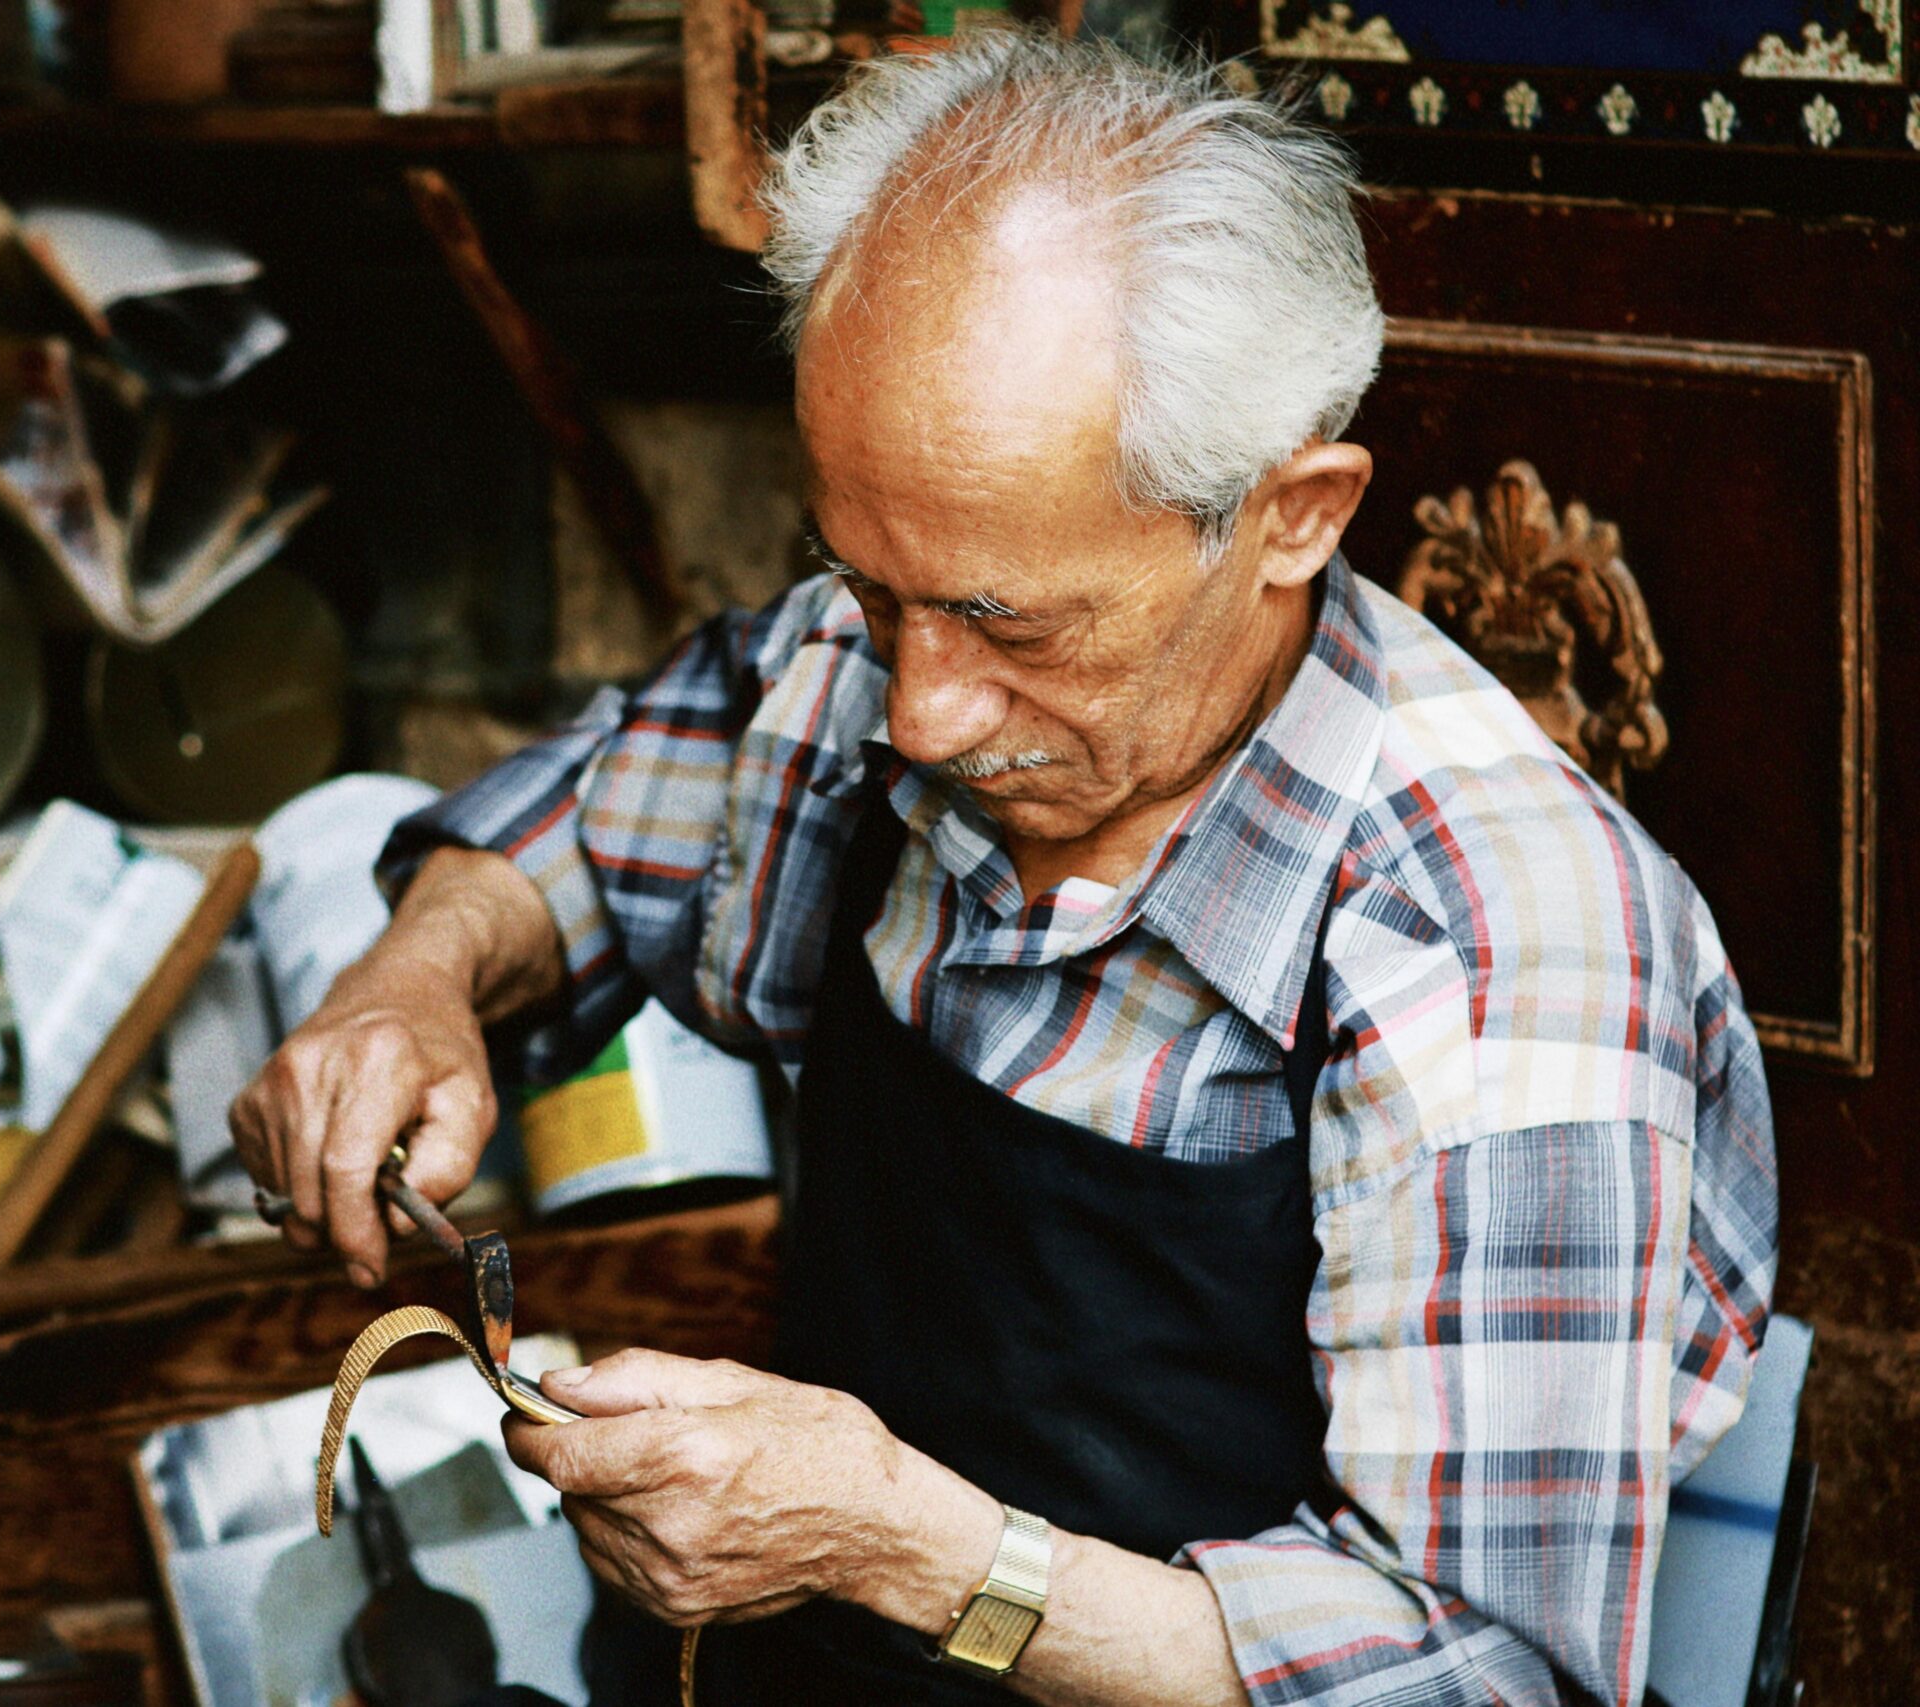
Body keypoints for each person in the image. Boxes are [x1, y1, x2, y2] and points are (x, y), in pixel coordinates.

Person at [231, 26, 1778, 1706]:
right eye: (871, 589)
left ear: (1294, 516)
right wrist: (426, 972)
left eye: (1006, 620)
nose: (919, 712)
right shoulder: (902, 650)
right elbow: (603, 813)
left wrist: (900, 1548)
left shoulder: (1502, 954)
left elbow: (1491, 1684)